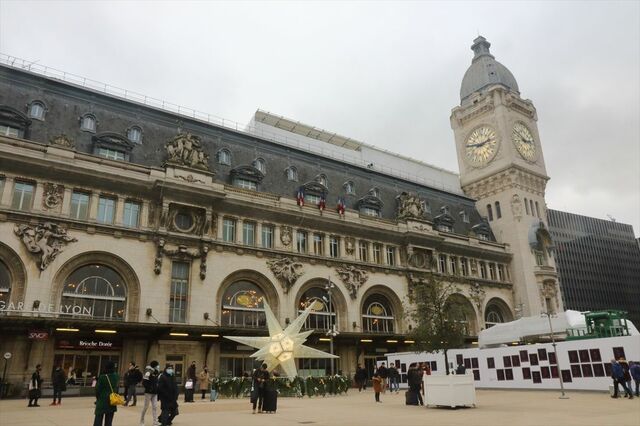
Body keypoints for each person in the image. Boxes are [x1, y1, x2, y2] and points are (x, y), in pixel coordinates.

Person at [93, 361, 119, 426]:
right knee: (109, 422)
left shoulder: (102, 377)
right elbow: (116, 388)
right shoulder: (116, 376)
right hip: (112, 401)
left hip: (102, 401)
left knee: (98, 421)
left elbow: (97, 390)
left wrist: (98, 398)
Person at [140, 360, 160, 426]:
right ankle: (141, 420)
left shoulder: (157, 373)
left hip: (155, 392)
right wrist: (149, 388)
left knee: (155, 407)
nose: (158, 367)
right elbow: (144, 382)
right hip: (148, 392)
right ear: (154, 366)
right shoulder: (148, 372)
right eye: (157, 365)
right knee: (146, 407)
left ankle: (155, 422)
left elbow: (156, 381)